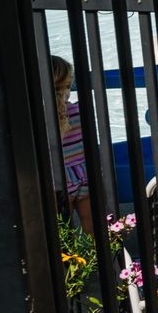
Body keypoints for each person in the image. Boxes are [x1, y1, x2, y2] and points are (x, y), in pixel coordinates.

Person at [50, 55, 92, 233]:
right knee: (93, 226)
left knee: (62, 231)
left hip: (59, 179)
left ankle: (69, 261)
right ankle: (107, 259)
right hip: (84, 174)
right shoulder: (78, 111)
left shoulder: (38, 117)